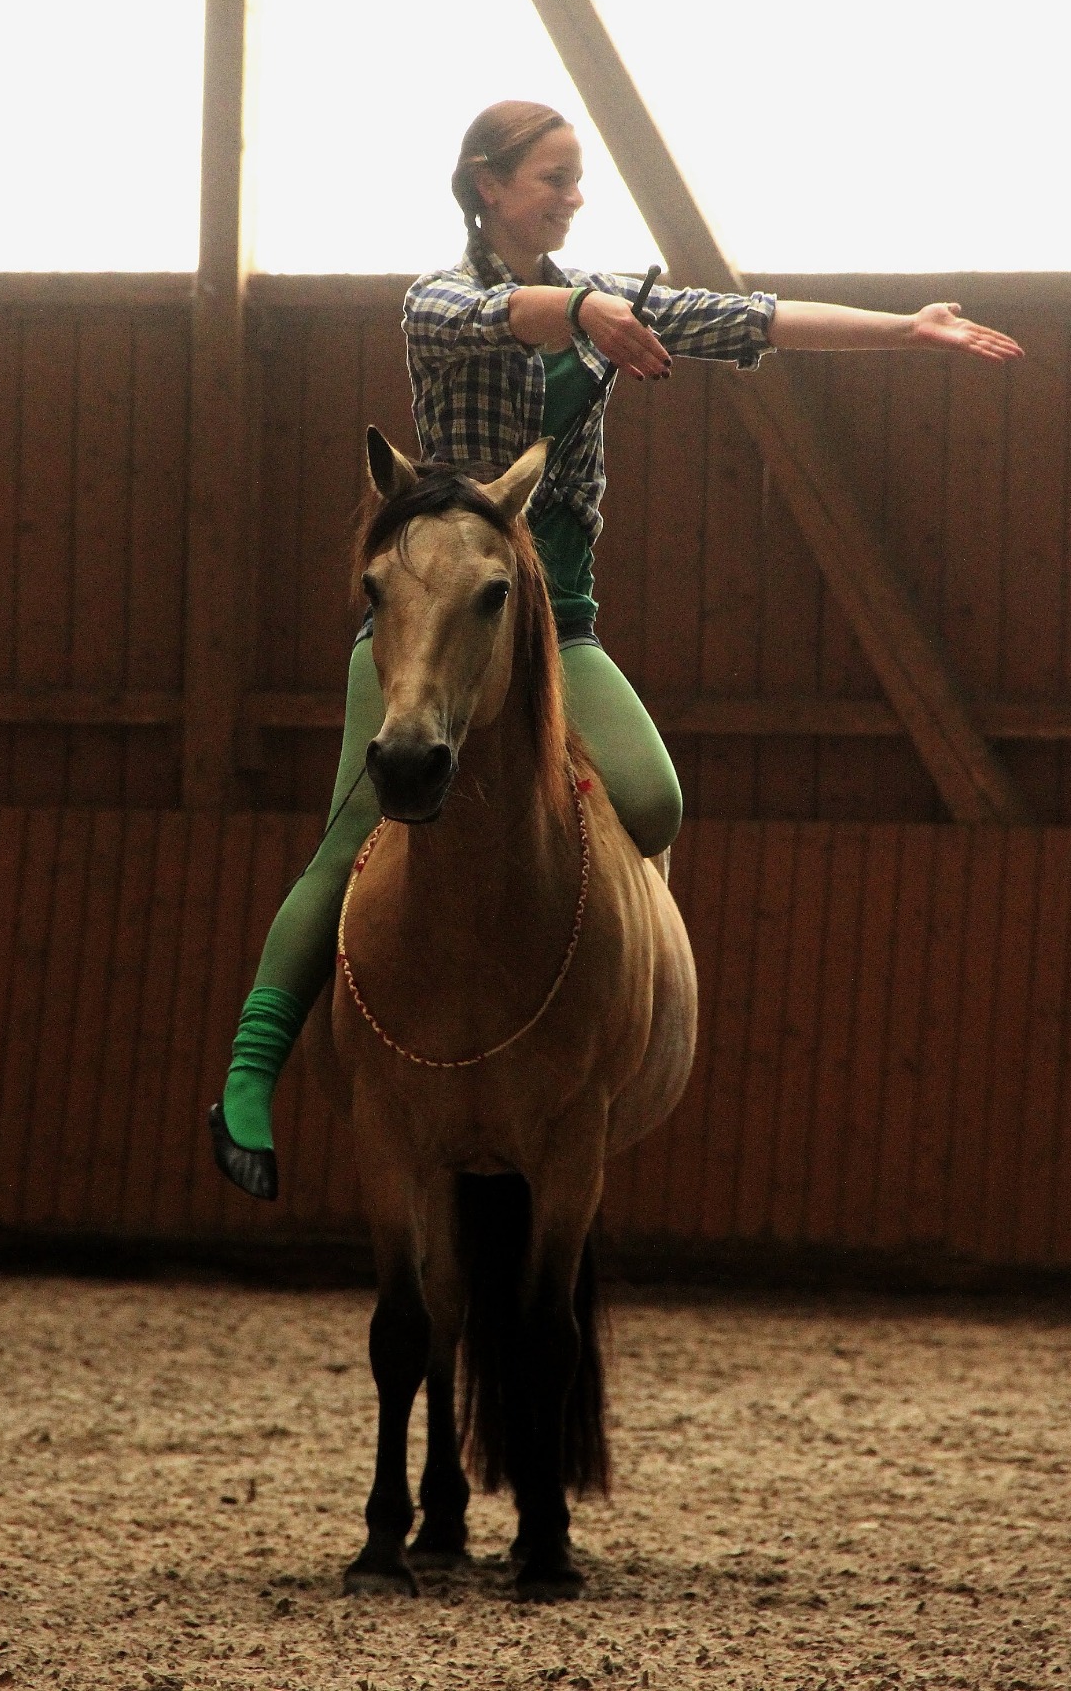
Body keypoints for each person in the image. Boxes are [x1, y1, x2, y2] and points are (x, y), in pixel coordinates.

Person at [210, 100, 1023, 1200]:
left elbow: (751, 320)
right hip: (440, 618)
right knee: (347, 835)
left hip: (556, 626)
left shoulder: (607, 298)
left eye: (575, 177)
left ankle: (610, 1007)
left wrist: (904, 328)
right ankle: (251, 1072)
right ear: (488, 186)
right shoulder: (436, 302)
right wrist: (587, 310)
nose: (572, 195)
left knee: (652, 798)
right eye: (552, 177)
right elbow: (506, 315)